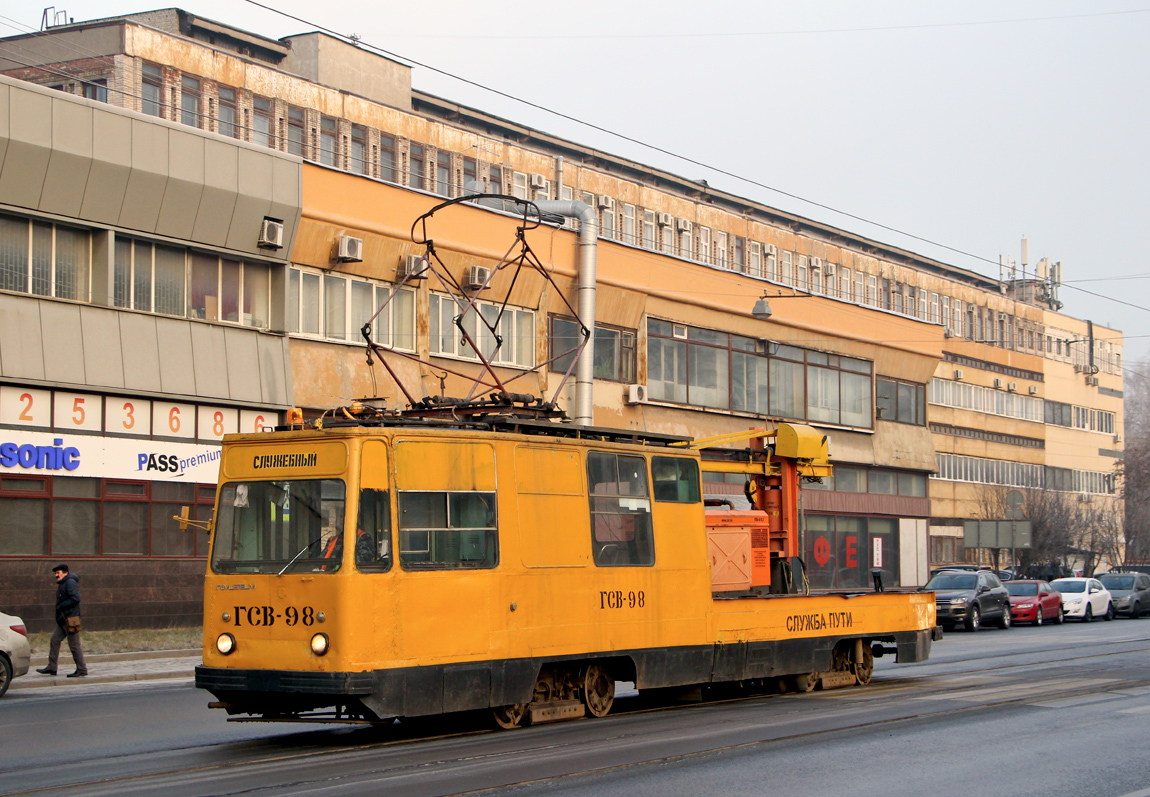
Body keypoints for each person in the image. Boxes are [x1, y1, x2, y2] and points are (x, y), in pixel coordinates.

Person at [36, 564, 88, 677]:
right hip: (63, 620)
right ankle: (52, 667)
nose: (56, 575)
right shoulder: (64, 583)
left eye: (58, 573)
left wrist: (61, 606)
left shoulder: (70, 583)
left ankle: (82, 669)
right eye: (55, 573)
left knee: (74, 645)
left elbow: (75, 598)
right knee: (54, 641)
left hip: (71, 619)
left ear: (65, 573)